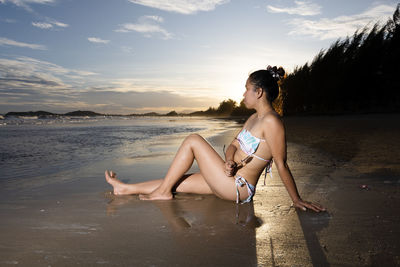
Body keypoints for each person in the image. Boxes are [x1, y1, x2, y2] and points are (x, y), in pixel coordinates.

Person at [105, 66, 326, 212]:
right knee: (177, 182)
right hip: (226, 176)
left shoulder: (272, 123)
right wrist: (229, 161)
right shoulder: (252, 118)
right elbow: (232, 146)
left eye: (247, 89)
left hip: (239, 188)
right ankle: (124, 189)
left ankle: (162, 193)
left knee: (193, 140)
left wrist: (296, 200)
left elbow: (281, 163)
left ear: (259, 92)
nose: (243, 94)